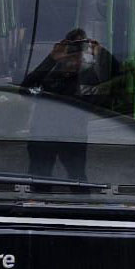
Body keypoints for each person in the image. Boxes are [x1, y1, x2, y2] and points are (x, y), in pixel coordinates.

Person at [20, 27, 118, 181]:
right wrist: (52, 58)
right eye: (71, 49)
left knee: (78, 180)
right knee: (39, 180)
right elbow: (25, 90)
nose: (73, 58)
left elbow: (115, 88)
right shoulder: (49, 73)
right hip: (43, 135)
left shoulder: (88, 75)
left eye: (79, 51)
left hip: (73, 137)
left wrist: (102, 54)